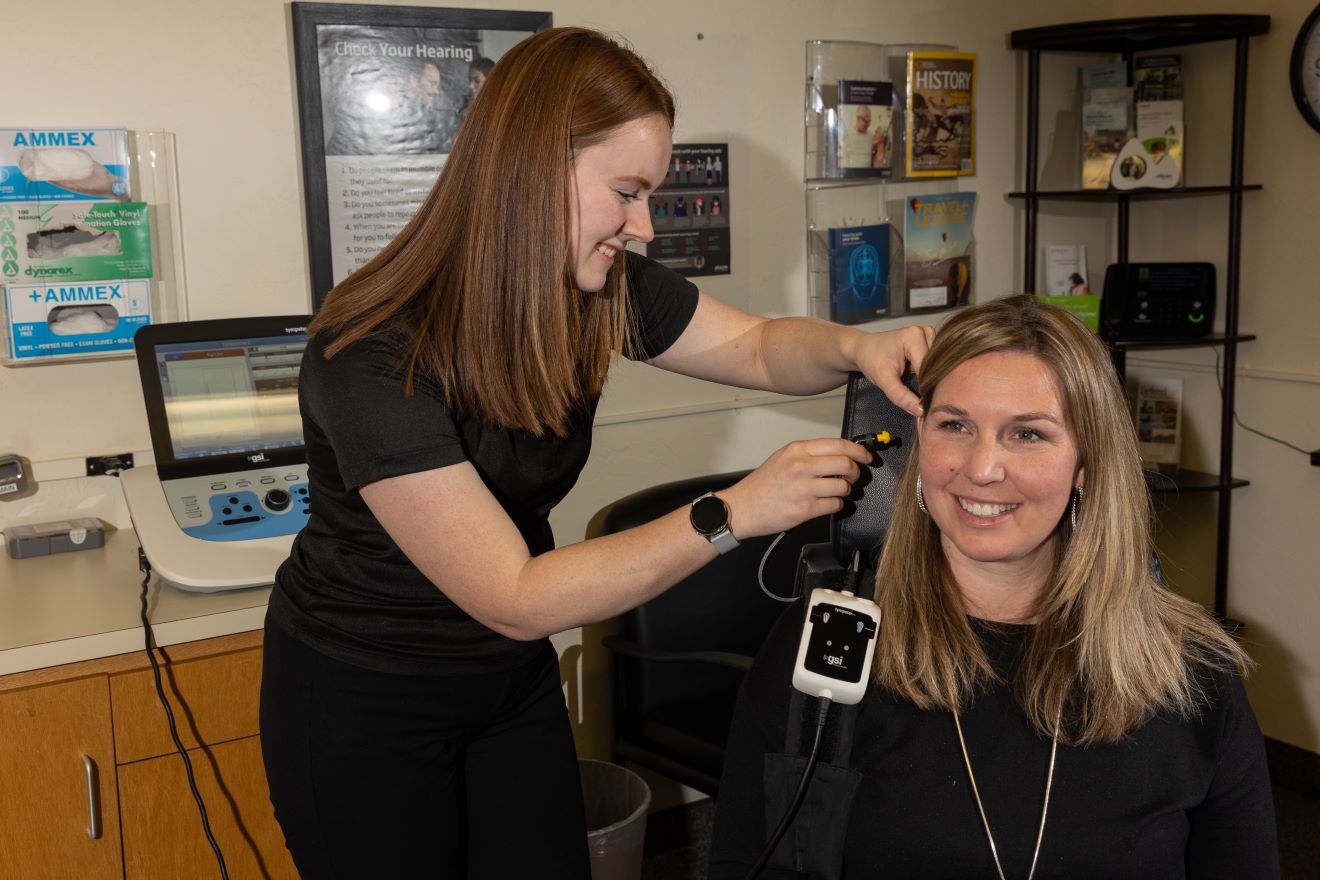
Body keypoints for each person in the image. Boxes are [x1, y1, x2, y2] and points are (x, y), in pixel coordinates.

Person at [260, 27, 933, 880]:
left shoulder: (596, 291)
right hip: (363, 699)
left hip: (505, 682)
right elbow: (514, 596)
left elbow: (761, 349)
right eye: (626, 191)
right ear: (533, 169)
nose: (644, 224)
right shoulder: (369, 352)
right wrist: (733, 513)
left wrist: (852, 347)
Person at [710, 295, 1279, 879]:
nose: (981, 468)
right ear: (921, 440)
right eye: (954, 425)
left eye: (1028, 435)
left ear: (1086, 463)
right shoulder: (828, 649)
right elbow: (750, 862)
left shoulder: (1195, 676)